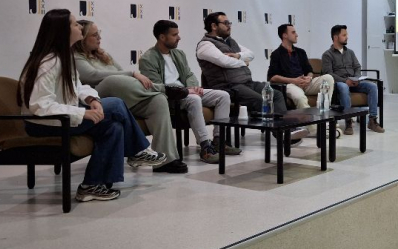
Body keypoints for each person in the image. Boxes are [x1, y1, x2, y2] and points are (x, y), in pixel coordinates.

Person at [19, 9, 166, 202]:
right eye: (75, 24)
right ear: (63, 30)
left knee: (114, 127)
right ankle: (138, 151)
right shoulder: (48, 62)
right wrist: (83, 113)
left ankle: (91, 185)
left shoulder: (63, 57)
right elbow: (40, 106)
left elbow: (78, 86)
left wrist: (92, 100)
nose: (79, 27)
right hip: (44, 124)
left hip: (62, 118)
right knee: (116, 104)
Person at [73, 20, 187, 174]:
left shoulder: (103, 55)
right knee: (113, 80)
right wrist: (132, 73)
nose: (99, 38)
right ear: (82, 38)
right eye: (94, 35)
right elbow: (92, 76)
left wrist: (131, 76)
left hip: (123, 96)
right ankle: (164, 88)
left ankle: (166, 161)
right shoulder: (75, 57)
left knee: (158, 100)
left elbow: (124, 77)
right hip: (95, 98)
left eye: (99, 33)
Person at [196, 13, 307, 143]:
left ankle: (285, 128)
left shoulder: (230, 42)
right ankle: (283, 133)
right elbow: (224, 62)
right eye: (225, 23)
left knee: (276, 94)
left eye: (229, 23)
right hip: (228, 86)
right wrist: (244, 62)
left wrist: (238, 56)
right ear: (214, 26)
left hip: (247, 82)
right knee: (260, 100)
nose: (229, 26)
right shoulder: (205, 45)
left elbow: (251, 54)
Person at [139, 20, 238, 164]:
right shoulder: (147, 59)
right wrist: (186, 91)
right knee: (194, 99)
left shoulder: (178, 54)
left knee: (223, 96)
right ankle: (205, 146)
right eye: (174, 35)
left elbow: (189, 75)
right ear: (162, 37)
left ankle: (219, 140)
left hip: (187, 92)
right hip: (171, 97)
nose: (179, 38)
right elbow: (156, 86)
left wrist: (193, 87)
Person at [321, 25, 384, 134]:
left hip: (354, 81)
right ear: (335, 37)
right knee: (344, 87)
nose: (347, 37)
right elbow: (329, 74)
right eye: (344, 35)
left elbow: (357, 67)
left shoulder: (350, 52)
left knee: (372, 86)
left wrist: (356, 78)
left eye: (347, 35)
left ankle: (372, 120)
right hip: (339, 83)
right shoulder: (327, 55)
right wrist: (345, 81)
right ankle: (348, 121)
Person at [268, 24, 334, 112]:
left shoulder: (301, 52)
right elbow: (272, 77)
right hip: (290, 84)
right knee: (300, 97)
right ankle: (310, 121)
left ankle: (325, 113)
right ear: (285, 35)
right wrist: (294, 80)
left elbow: (309, 70)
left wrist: (309, 78)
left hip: (305, 83)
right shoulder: (276, 54)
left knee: (328, 78)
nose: (297, 35)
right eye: (293, 32)